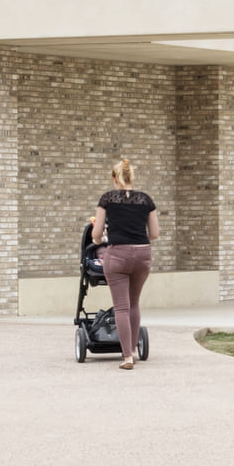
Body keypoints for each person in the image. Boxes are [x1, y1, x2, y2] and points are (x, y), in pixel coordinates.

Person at [92, 159, 157, 370]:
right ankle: (134, 351)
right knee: (134, 303)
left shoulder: (107, 199)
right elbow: (154, 234)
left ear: (114, 178)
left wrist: (99, 238)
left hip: (117, 254)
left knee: (121, 306)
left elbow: (96, 235)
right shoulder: (146, 200)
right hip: (142, 254)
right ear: (132, 177)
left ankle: (127, 357)